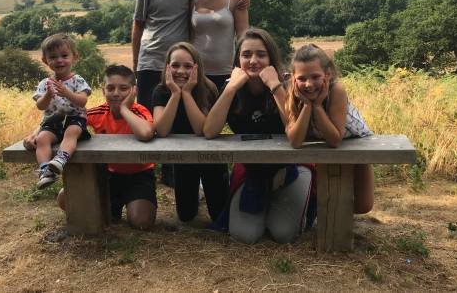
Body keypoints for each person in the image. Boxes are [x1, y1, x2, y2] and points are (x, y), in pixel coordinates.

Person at [131, 0, 248, 186]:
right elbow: (143, 24)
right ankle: (168, 175)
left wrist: (245, 67)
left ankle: (224, 175)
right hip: (177, 69)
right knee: (175, 123)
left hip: (215, 72)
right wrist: (136, 64)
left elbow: (244, 37)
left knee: (217, 125)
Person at [204, 28, 313, 244]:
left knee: (283, 234)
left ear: (271, 57)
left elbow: (295, 130)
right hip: (252, 171)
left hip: (290, 168)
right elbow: (210, 131)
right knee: (245, 235)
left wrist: (275, 86)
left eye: (261, 55)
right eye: (246, 55)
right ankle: (266, 203)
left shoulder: (288, 85)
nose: (253, 61)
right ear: (238, 59)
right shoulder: (232, 88)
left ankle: (291, 199)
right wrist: (231, 88)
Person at [43, 65, 157, 230]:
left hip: (139, 175)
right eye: (110, 88)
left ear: (134, 91)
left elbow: (146, 132)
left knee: (142, 222)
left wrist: (124, 109)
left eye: (123, 88)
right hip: (108, 175)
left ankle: (121, 207)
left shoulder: (140, 112)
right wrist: (36, 134)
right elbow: (60, 121)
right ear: (103, 90)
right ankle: (110, 209)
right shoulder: (98, 112)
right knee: (64, 198)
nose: (116, 93)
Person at [285, 44, 374, 214]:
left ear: (327, 74)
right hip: (324, 144)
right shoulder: (293, 94)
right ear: (293, 79)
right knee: (326, 199)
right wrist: (306, 105)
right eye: (302, 78)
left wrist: (317, 106)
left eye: (315, 77)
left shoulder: (336, 90)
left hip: (355, 143)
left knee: (362, 206)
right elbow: (295, 142)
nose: (309, 84)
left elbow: (335, 139)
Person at [151, 42, 229, 222]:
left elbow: (202, 130)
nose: (181, 71)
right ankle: (197, 192)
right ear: (167, 67)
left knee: (219, 215)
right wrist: (175, 94)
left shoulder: (207, 88)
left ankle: (210, 189)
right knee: (186, 216)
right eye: (175, 65)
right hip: (183, 157)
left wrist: (187, 93)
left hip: (212, 157)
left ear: (196, 67)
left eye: (187, 66)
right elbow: (162, 130)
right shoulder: (162, 90)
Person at [31, 34, 91, 189]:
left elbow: (83, 101)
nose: (59, 60)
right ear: (45, 61)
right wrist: (47, 96)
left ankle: (61, 159)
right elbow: (40, 106)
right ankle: (45, 170)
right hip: (53, 121)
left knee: (71, 132)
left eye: (64, 55)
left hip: (75, 119)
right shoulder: (45, 84)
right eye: (53, 57)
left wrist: (67, 93)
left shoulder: (78, 80)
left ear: (74, 57)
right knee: (42, 138)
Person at [191, 0, 249, 91]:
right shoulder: (191, 2)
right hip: (196, 75)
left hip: (228, 74)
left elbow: (243, 39)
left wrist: (241, 70)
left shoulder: (236, 1)